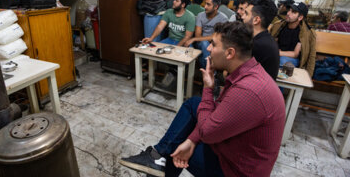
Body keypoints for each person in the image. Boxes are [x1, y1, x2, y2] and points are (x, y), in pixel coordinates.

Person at [120, 21, 285, 177]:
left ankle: (159, 160)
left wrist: (207, 87)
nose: (208, 49)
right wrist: (192, 140)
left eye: (213, 44)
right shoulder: (249, 72)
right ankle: (157, 157)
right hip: (235, 146)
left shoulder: (247, 91)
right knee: (193, 104)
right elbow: (218, 112)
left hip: (236, 170)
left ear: (230, 53)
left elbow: (207, 133)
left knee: (176, 146)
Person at [143, 0, 195, 87]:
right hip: (170, 40)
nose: (173, 2)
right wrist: (151, 38)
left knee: (187, 58)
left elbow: (188, 36)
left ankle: (174, 74)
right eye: (174, 0)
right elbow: (160, 27)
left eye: (176, 0)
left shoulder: (190, 17)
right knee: (154, 51)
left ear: (183, 4)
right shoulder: (168, 12)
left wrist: (176, 47)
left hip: (183, 42)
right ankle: (152, 72)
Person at [270, 2, 317, 76]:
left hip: (293, 60)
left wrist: (308, 75)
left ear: (300, 17)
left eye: (293, 12)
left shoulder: (306, 32)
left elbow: (295, 54)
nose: (288, 13)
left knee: (282, 61)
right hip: (276, 55)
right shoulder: (278, 25)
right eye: (289, 10)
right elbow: (272, 42)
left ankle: (277, 87)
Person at [184, 0, 228, 69]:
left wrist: (194, 39)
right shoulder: (200, 15)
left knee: (206, 45)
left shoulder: (223, 19)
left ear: (216, 7)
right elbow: (198, 35)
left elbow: (217, 38)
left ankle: (207, 71)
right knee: (195, 45)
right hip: (200, 42)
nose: (205, 7)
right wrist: (197, 39)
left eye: (208, 4)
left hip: (214, 44)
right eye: (205, 4)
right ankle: (209, 71)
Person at [241, 0, 280, 80]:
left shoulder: (259, 45)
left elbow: (231, 75)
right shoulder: (265, 39)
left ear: (256, 20)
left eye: (246, 14)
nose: (242, 17)